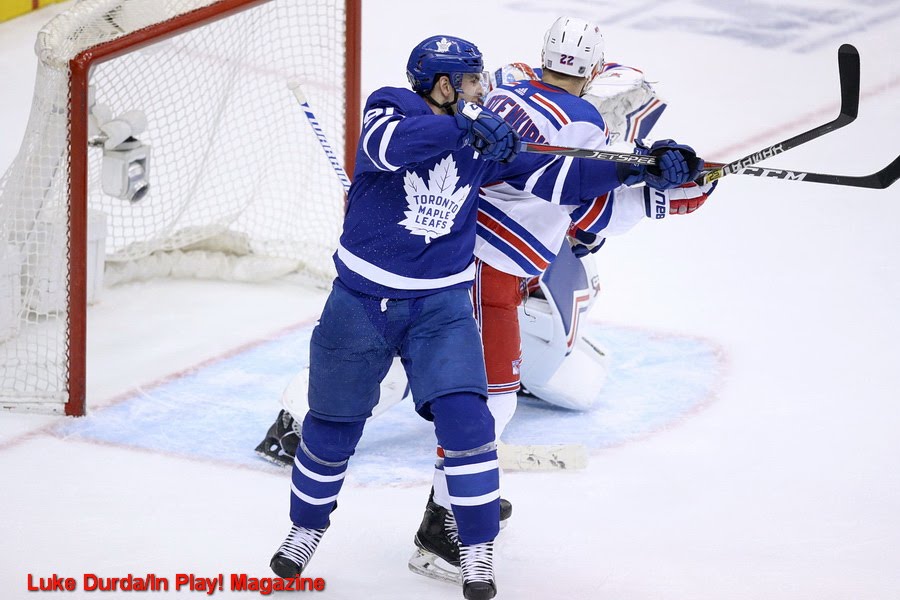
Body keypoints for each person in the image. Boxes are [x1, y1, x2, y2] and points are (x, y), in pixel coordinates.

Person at [269, 31, 704, 600]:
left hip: (445, 296)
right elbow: (389, 144)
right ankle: (320, 518)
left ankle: (458, 531)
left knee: (473, 413)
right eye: (473, 80)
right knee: (353, 414)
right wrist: (462, 129)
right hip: (384, 293)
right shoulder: (399, 106)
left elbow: (560, 179)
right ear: (444, 85)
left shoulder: (493, 131)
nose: (484, 88)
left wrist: (638, 169)